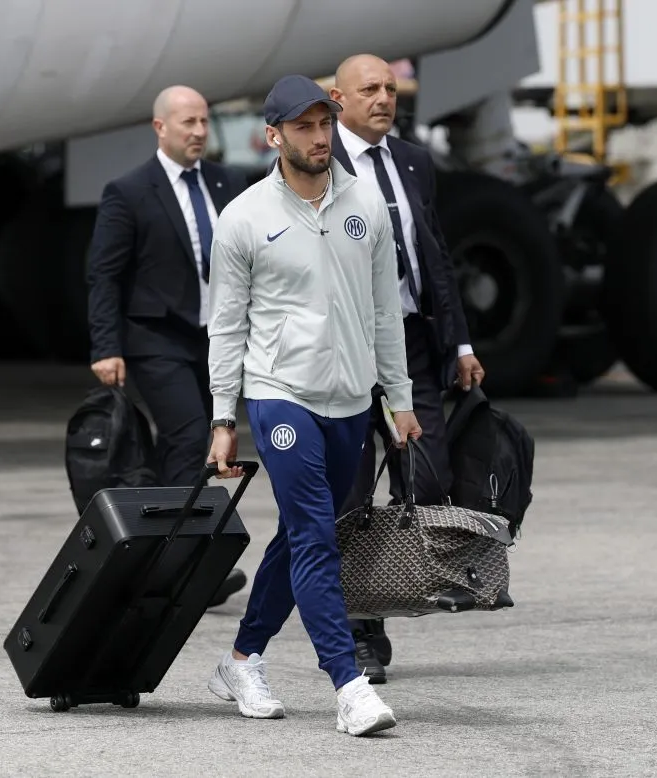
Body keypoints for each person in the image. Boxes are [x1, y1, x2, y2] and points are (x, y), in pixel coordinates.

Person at [203, 73, 422, 736]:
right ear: (274, 135)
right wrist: (223, 414)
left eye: (325, 123)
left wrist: (400, 397)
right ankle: (348, 686)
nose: (320, 136)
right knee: (317, 535)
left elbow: (387, 310)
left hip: (352, 398)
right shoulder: (244, 218)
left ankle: (240, 659)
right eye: (304, 126)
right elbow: (226, 325)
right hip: (280, 394)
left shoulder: (367, 207)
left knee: (302, 533)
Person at [328, 54, 488, 683]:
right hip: (345, 346)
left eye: (391, 89)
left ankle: (403, 579)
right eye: (370, 89)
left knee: (427, 475)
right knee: (350, 490)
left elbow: (436, 258)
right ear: (339, 100)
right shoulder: (319, 162)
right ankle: (362, 632)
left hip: (413, 341)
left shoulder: (414, 161)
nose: (384, 99)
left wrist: (462, 343)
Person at [85, 84, 248, 607]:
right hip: (155, 337)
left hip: (214, 339)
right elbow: (104, 275)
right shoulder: (129, 191)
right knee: (190, 438)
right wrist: (106, 346)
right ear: (160, 128)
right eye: (188, 124)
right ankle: (188, 566)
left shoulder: (228, 182)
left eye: (204, 122)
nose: (199, 132)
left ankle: (153, 559)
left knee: (183, 450)